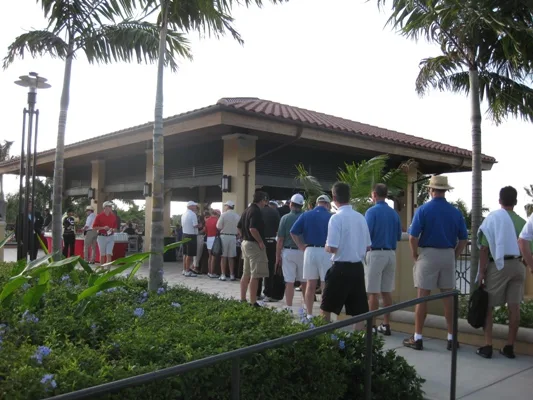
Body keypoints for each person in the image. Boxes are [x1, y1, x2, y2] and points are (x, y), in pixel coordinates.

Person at [404, 175, 468, 351]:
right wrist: (454, 255)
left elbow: (412, 237)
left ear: (431, 190)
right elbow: (463, 239)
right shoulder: (455, 212)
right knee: (448, 298)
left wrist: (415, 254)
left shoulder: (423, 210)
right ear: (445, 191)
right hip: (448, 254)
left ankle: (418, 337)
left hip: (428, 254)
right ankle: (451, 338)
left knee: (422, 297)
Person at [477, 187, 529, 359]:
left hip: (499, 266)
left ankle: (487, 345)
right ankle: (509, 346)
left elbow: (484, 248)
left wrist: (482, 272)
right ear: (516, 202)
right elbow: (528, 248)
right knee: (514, 307)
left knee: (488, 305)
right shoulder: (522, 222)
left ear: (500, 201)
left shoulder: (493, 219)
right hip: (518, 265)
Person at [322, 182, 371, 324]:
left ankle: (323, 335)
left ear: (334, 197)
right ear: (349, 197)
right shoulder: (361, 217)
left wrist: (325, 246)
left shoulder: (336, 218)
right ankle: (359, 337)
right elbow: (368, 246)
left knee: (326, 307)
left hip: (340, 268)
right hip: (357, 268)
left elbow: (332, 247)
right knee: (359, 311)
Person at [365, 183, 402, 335]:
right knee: (386, 291)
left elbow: (366, 235)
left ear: (374, 194)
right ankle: (386, 324)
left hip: (375, 253)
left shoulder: (371, 212)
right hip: (391, 254)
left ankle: (372, 326)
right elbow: (398, 236)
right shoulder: (394, 214)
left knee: (373, 292)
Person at [290, 194, 332, 319]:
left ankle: (309, 314)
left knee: (310, 284)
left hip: (310, 251)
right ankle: (324, 315)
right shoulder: (331, 216)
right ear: (327, 204)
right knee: (325, 284)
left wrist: (300, 246)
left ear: (317, 203)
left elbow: (293, 232)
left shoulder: (306, 215)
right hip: (325, 251)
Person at [237, 191, 269, 307]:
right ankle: (253, 301)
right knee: (255, 275)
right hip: (253, 245)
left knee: (246, 273)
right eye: (265, 201)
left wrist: (243, 237)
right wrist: (260, 241)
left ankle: (242, 299)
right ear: (262, 200)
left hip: (245, 243)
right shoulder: (256, 211)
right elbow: (253, 229)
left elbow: (239, 227)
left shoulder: (246, 210)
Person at [276, 194, 306, 310]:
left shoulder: (285, 218)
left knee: (289, 282)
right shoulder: (305, 217)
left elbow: (280, 240)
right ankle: (306, 307)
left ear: (291, 204)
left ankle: (289, 307)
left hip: (288, 251)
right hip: (303, 251)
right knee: (304, 281)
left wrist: (277, 256)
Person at [258, 197, 281, 302]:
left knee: (258, 268)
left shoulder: (258, 211)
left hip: (259, 242)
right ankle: (268, 293)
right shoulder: (274, 212)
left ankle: (257, 293)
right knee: (270, 268)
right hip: (271, 242)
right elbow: (278, 229)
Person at [217, 200, 240, 281]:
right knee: (231, 257)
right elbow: (239, 227)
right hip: (233, 237)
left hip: (224, 236)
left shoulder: (223, 215)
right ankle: (232, 274)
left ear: (227, 206)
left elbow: (218, 226)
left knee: (223, 256)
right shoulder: (237, 216)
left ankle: (223, 274)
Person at [92, 201, 118, 267]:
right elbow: (94, 227)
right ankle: (102, 270)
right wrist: (103, 227)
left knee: (109, 254)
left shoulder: (113, 216)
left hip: (111, 237)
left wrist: (112, 229)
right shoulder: (99, 216)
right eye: (109, 206)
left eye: (111, 206)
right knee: (102, 255)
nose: (111, 208)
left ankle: (108, 271)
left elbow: (115, 228)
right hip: (101, 237)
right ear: (105, 207)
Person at [181, 201, 199, 277]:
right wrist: (200, 225)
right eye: (194, 206)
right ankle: (187, 271)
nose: (195, 207)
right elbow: (195, 225)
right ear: (191, 206)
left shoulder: (183, 214)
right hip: (191, 235)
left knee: (185, 254)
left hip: (184, 235)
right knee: (190, 254)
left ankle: (184, 269)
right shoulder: (193, 214)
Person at [205, 209, 220, 278]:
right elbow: (219, 229)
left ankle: (209, 272)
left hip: (209, 238)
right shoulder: (217, 220)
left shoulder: (207, 220)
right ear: (217, 214)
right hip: (215, 238)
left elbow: (206, 230)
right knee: (214, 257)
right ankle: (212, 272)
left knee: (210, 256)